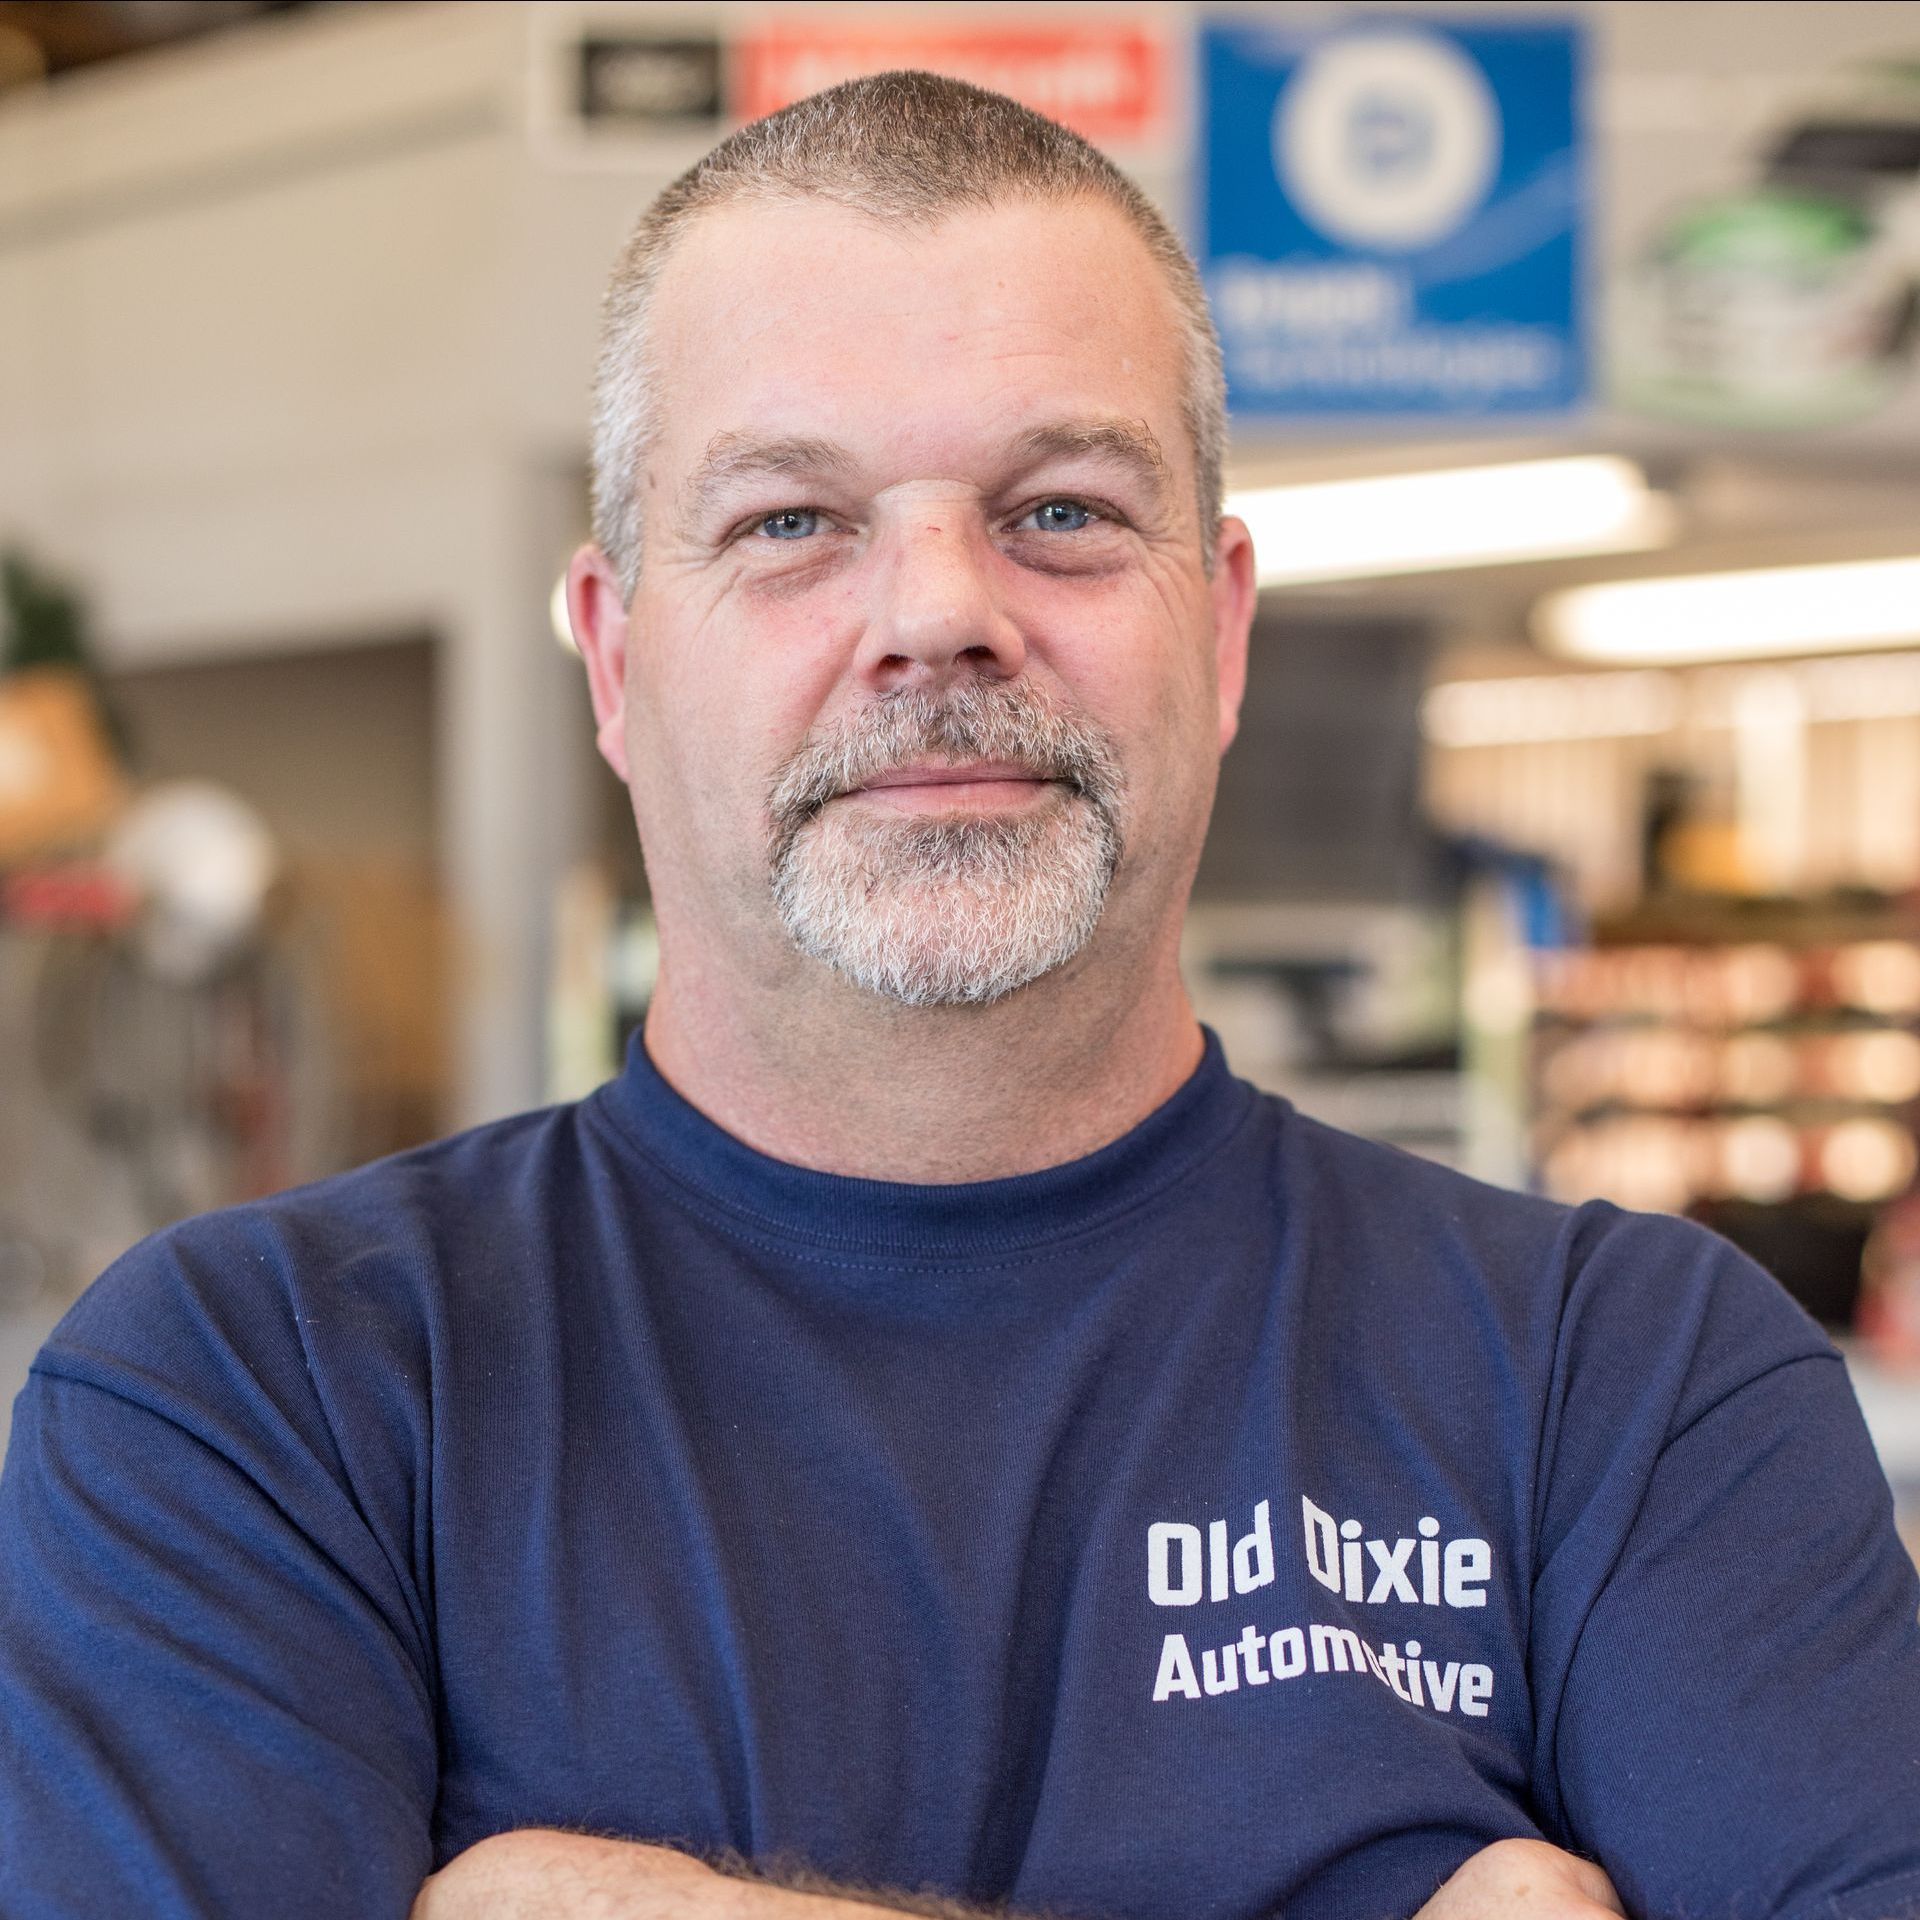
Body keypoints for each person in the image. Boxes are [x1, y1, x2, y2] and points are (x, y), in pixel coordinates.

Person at [3, 71, 1918, 1920]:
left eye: (1062, 509)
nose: (937, 614)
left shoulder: (1630, 1384)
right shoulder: (257, 1398)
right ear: (615, 661)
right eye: (789, 521)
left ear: (1221, 628)